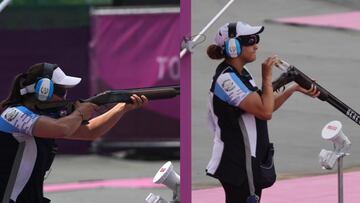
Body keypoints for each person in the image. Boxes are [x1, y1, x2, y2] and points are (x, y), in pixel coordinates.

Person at [205, 21, 320, 203]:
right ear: (233, 47)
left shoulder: (241, 73)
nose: (256, 44)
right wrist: (267, 77)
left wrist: (293, 88)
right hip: (240, 163)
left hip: (248, 160)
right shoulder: (226, 79)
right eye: (251, 40)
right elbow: (265, 112)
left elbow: (264, 105)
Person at [0, 63, 148, 203]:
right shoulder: (13, 114)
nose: (65, 96)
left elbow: (91, 132)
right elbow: (61, 128)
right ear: (44, 90)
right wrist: (80, 113)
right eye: (61, 90)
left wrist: (121, 107)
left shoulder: (43, 119)